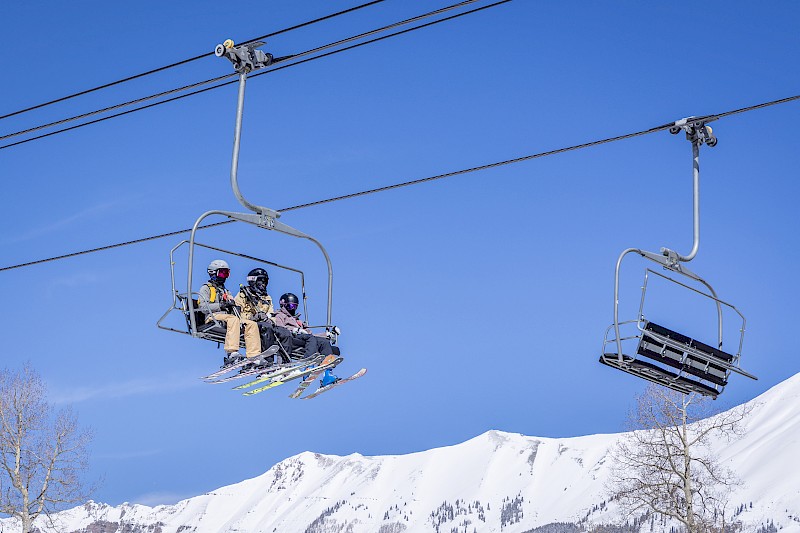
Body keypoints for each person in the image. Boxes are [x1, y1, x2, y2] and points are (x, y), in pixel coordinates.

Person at [196, 259, 263, 366]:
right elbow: (203, 307)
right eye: (222, 273)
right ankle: (231, 352)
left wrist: (233, 305)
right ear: (213, 273)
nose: (224, 276)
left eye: (226, 273)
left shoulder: (226, 291)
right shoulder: (206, 288)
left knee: (251, 324)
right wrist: (221, 305)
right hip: (212, 316)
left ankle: (254, 356)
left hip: (227, 317)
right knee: (233, 319)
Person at [274, 293, 339, 384]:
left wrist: (326, 334)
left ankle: (327, 374)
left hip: (305, 339)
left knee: (324, 342)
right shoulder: (279, 315)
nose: (293, 308)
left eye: (295, 306)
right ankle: (308, 366)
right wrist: (295, 330)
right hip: (290, 339)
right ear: (284, 305)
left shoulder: (297, 320)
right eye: (291, 306)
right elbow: (279, 328)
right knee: (310, 339)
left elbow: (311, 335)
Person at [234, 268, 280, 363]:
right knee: (266, 328)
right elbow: (237, 314)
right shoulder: (243, 295)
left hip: (264, 323)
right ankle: (268, 361)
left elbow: (272, 313)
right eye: (260, 282)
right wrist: (254, 317)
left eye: (265, 282)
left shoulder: (267, 298)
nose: (263, 284)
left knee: (283, 332)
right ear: (253, 281)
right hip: (249, 324)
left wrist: (270, 320)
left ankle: (285, 363)